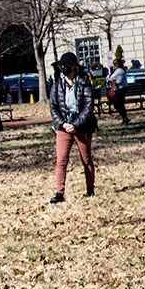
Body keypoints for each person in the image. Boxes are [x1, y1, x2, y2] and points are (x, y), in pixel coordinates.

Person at [48, 52, 97, 204]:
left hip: (81, 127)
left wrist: (76, 124)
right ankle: (59, 193)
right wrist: (62, 124)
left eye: (67, 66)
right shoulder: (57, 85)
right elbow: (53, 107)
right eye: (62, 66)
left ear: (74, 67)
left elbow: (88, 107)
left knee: (86, 159)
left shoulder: (83, 83)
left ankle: (90, 189)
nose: (64, 68)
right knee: (61, 160)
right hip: (63, 127)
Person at [108, 58, 130, 125]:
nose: (114, 65)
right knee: (118, 104)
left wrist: (111, 80)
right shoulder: (117, 71)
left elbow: (119, 81)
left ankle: (125, 118)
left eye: (115, 63)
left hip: (121, 89)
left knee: (118, 104)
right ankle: (124, 118)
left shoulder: (120, 71)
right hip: (119, 89)